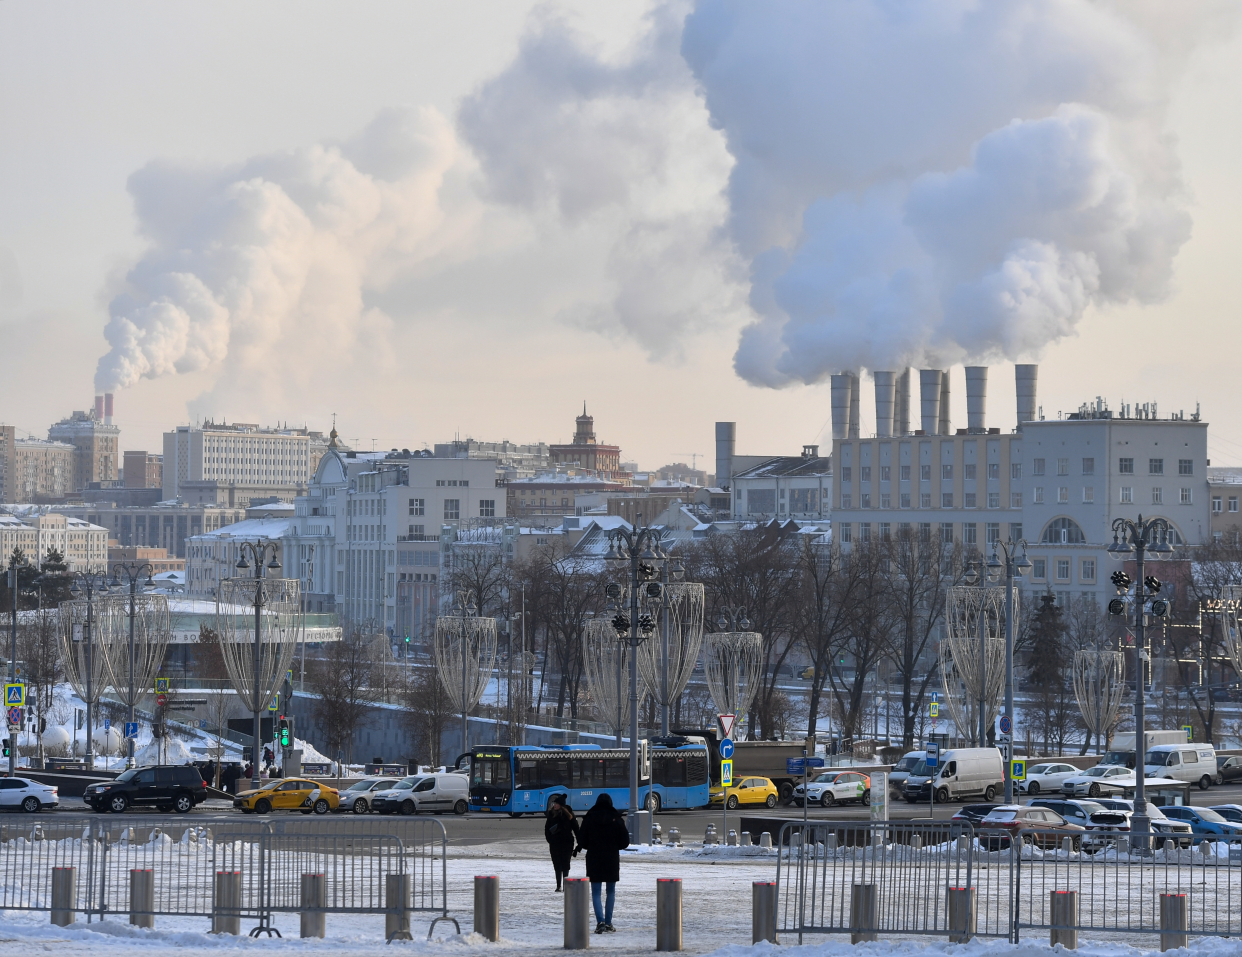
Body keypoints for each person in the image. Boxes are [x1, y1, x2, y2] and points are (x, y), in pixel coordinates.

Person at [577, 793, 630, 933]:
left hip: (594, 857)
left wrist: (592, 845)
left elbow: (582, 840)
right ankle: (608, 923)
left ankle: (599, 922)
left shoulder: (590, 817)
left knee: (595, 892)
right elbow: (625, 841)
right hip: (611, 857)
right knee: (611, 891)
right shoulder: (616, 818)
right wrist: (613, 845)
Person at [544, 795, 581, 892]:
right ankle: (558, 885)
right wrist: (550, 839)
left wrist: (579, 843)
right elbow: (547, 828)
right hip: (555, 843)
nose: (554, 805)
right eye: (554, 803)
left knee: (565, 864)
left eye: (556, 804)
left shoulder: (569, 815)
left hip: (567, 843)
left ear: (561, 805)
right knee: (556, 864)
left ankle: (565, 885)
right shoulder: (551, 814)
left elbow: (576, 829)